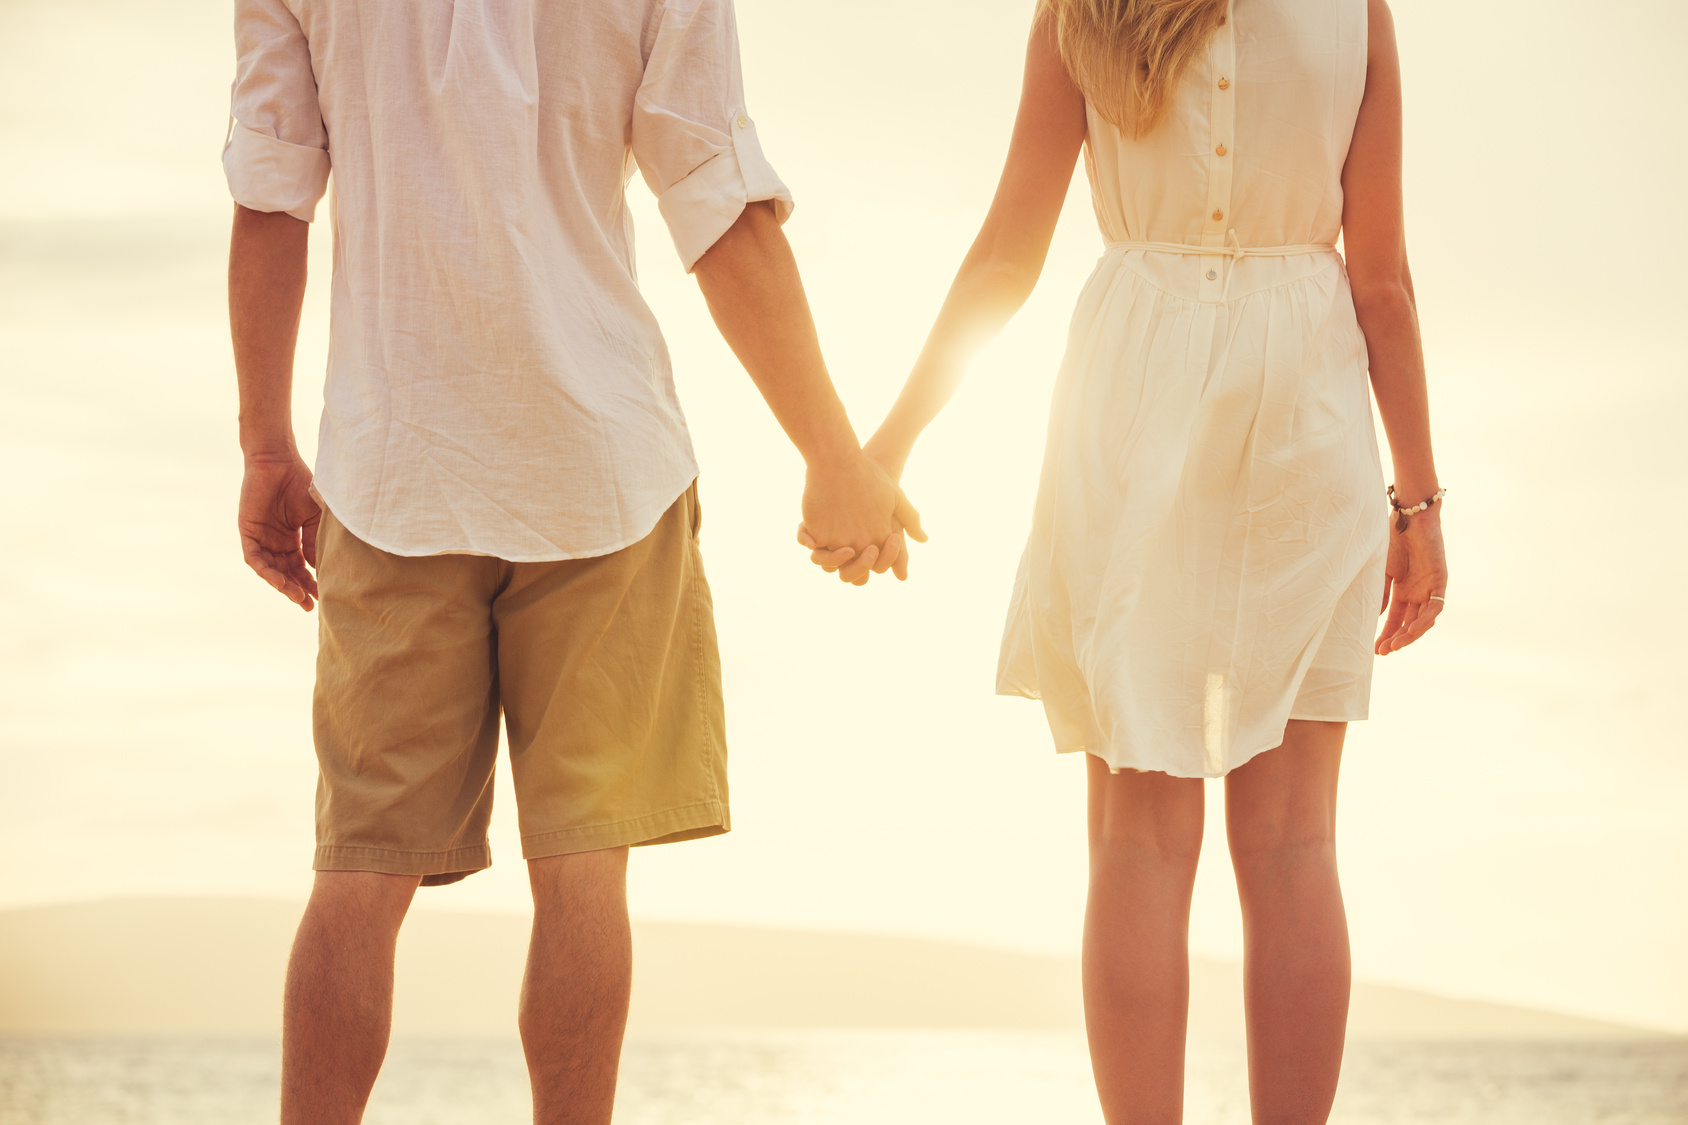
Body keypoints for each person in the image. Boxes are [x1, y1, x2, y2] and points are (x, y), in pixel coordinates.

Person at [223, 1, 918, 1121]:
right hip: (602, 470)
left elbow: (269, 190)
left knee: (357, 872)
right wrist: (834, 458)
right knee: (584, 869)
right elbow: (715, 198)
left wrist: (264, 443)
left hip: (397, 466)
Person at [804, 0, 1447, 1120]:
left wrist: (888, 443)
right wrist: (1418, 496)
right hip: (1301, 395)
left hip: (1126, 388)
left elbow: (1008, 251)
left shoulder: (1085, 9)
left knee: (1137, 845)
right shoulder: (1355, 11)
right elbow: (1380, 282)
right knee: (1293, 842)